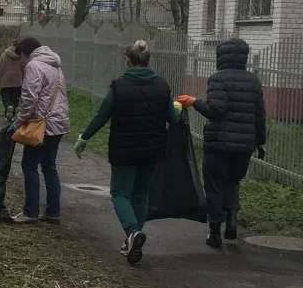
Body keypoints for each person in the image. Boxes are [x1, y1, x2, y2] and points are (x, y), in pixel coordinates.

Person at [73, 39, 183, 265]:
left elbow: (102, 116)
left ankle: (133, 232)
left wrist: (84, 137)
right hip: (153, 150)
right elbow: (173, 119)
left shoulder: (118, 87)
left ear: (127, 61)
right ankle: (133, 237)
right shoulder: (162, 86)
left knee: (120, 193)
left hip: (124, 150)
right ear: (148, 61)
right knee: (141, 194)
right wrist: (177, 107)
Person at [190, 37, 267, 248]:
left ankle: (215, 231)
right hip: (245, 144)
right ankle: (232, 217)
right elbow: (260, 115)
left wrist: (195, 102)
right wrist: (260, 141)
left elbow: (215, 110)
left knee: (215, 184)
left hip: (218, 143)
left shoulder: (218, 79)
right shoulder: (253, 81)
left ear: (221, 56)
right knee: (233, 181)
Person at [9, 36, 69, 224]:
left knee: (29, 165)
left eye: (22, 56)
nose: (22, 60)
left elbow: (29, 99)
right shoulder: (55, 64)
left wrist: (19, 121)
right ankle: (53, 212)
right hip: (59, 121)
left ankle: (31, 212)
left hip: (42, 124)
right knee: (49, 167)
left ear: (26, 53)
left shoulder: (34, 66)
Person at [0, 39, 26, 122]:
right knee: (15, 97)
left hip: (5, 79)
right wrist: (24, 77)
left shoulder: (4, 54)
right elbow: (23, 66)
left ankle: (8, 109)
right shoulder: (21, 55)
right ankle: (12, 113)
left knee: (5, 95)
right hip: (17, 80)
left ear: (11, 44)